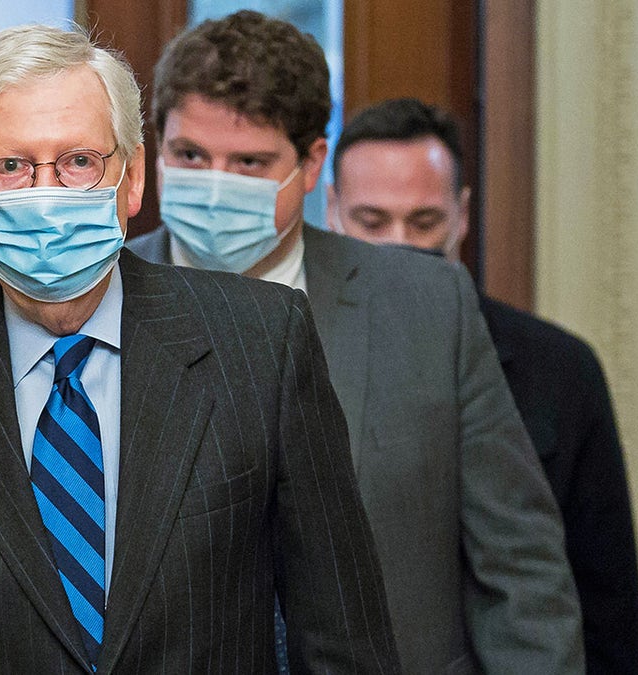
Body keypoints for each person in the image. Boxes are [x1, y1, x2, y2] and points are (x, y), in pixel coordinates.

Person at [0, 23, 400, 673]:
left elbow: (343, 639)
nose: (48, 193)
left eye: (78, 162)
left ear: (132, 179)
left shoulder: (263, 344)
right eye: (11, 166)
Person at [127, 10, 583, 674]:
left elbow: (521, 569)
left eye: (250, 161)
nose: (215, 185)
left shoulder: (428, 305)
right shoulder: (96, 303)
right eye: (191, 155)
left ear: (311, 164)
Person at [329, 96, 638, 675]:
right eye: (372, 222)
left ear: (462, 215)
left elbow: (605, 593)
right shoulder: (302, 353)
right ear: (332, 213)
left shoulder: (560, 369)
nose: (399, 243)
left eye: (424, 222)